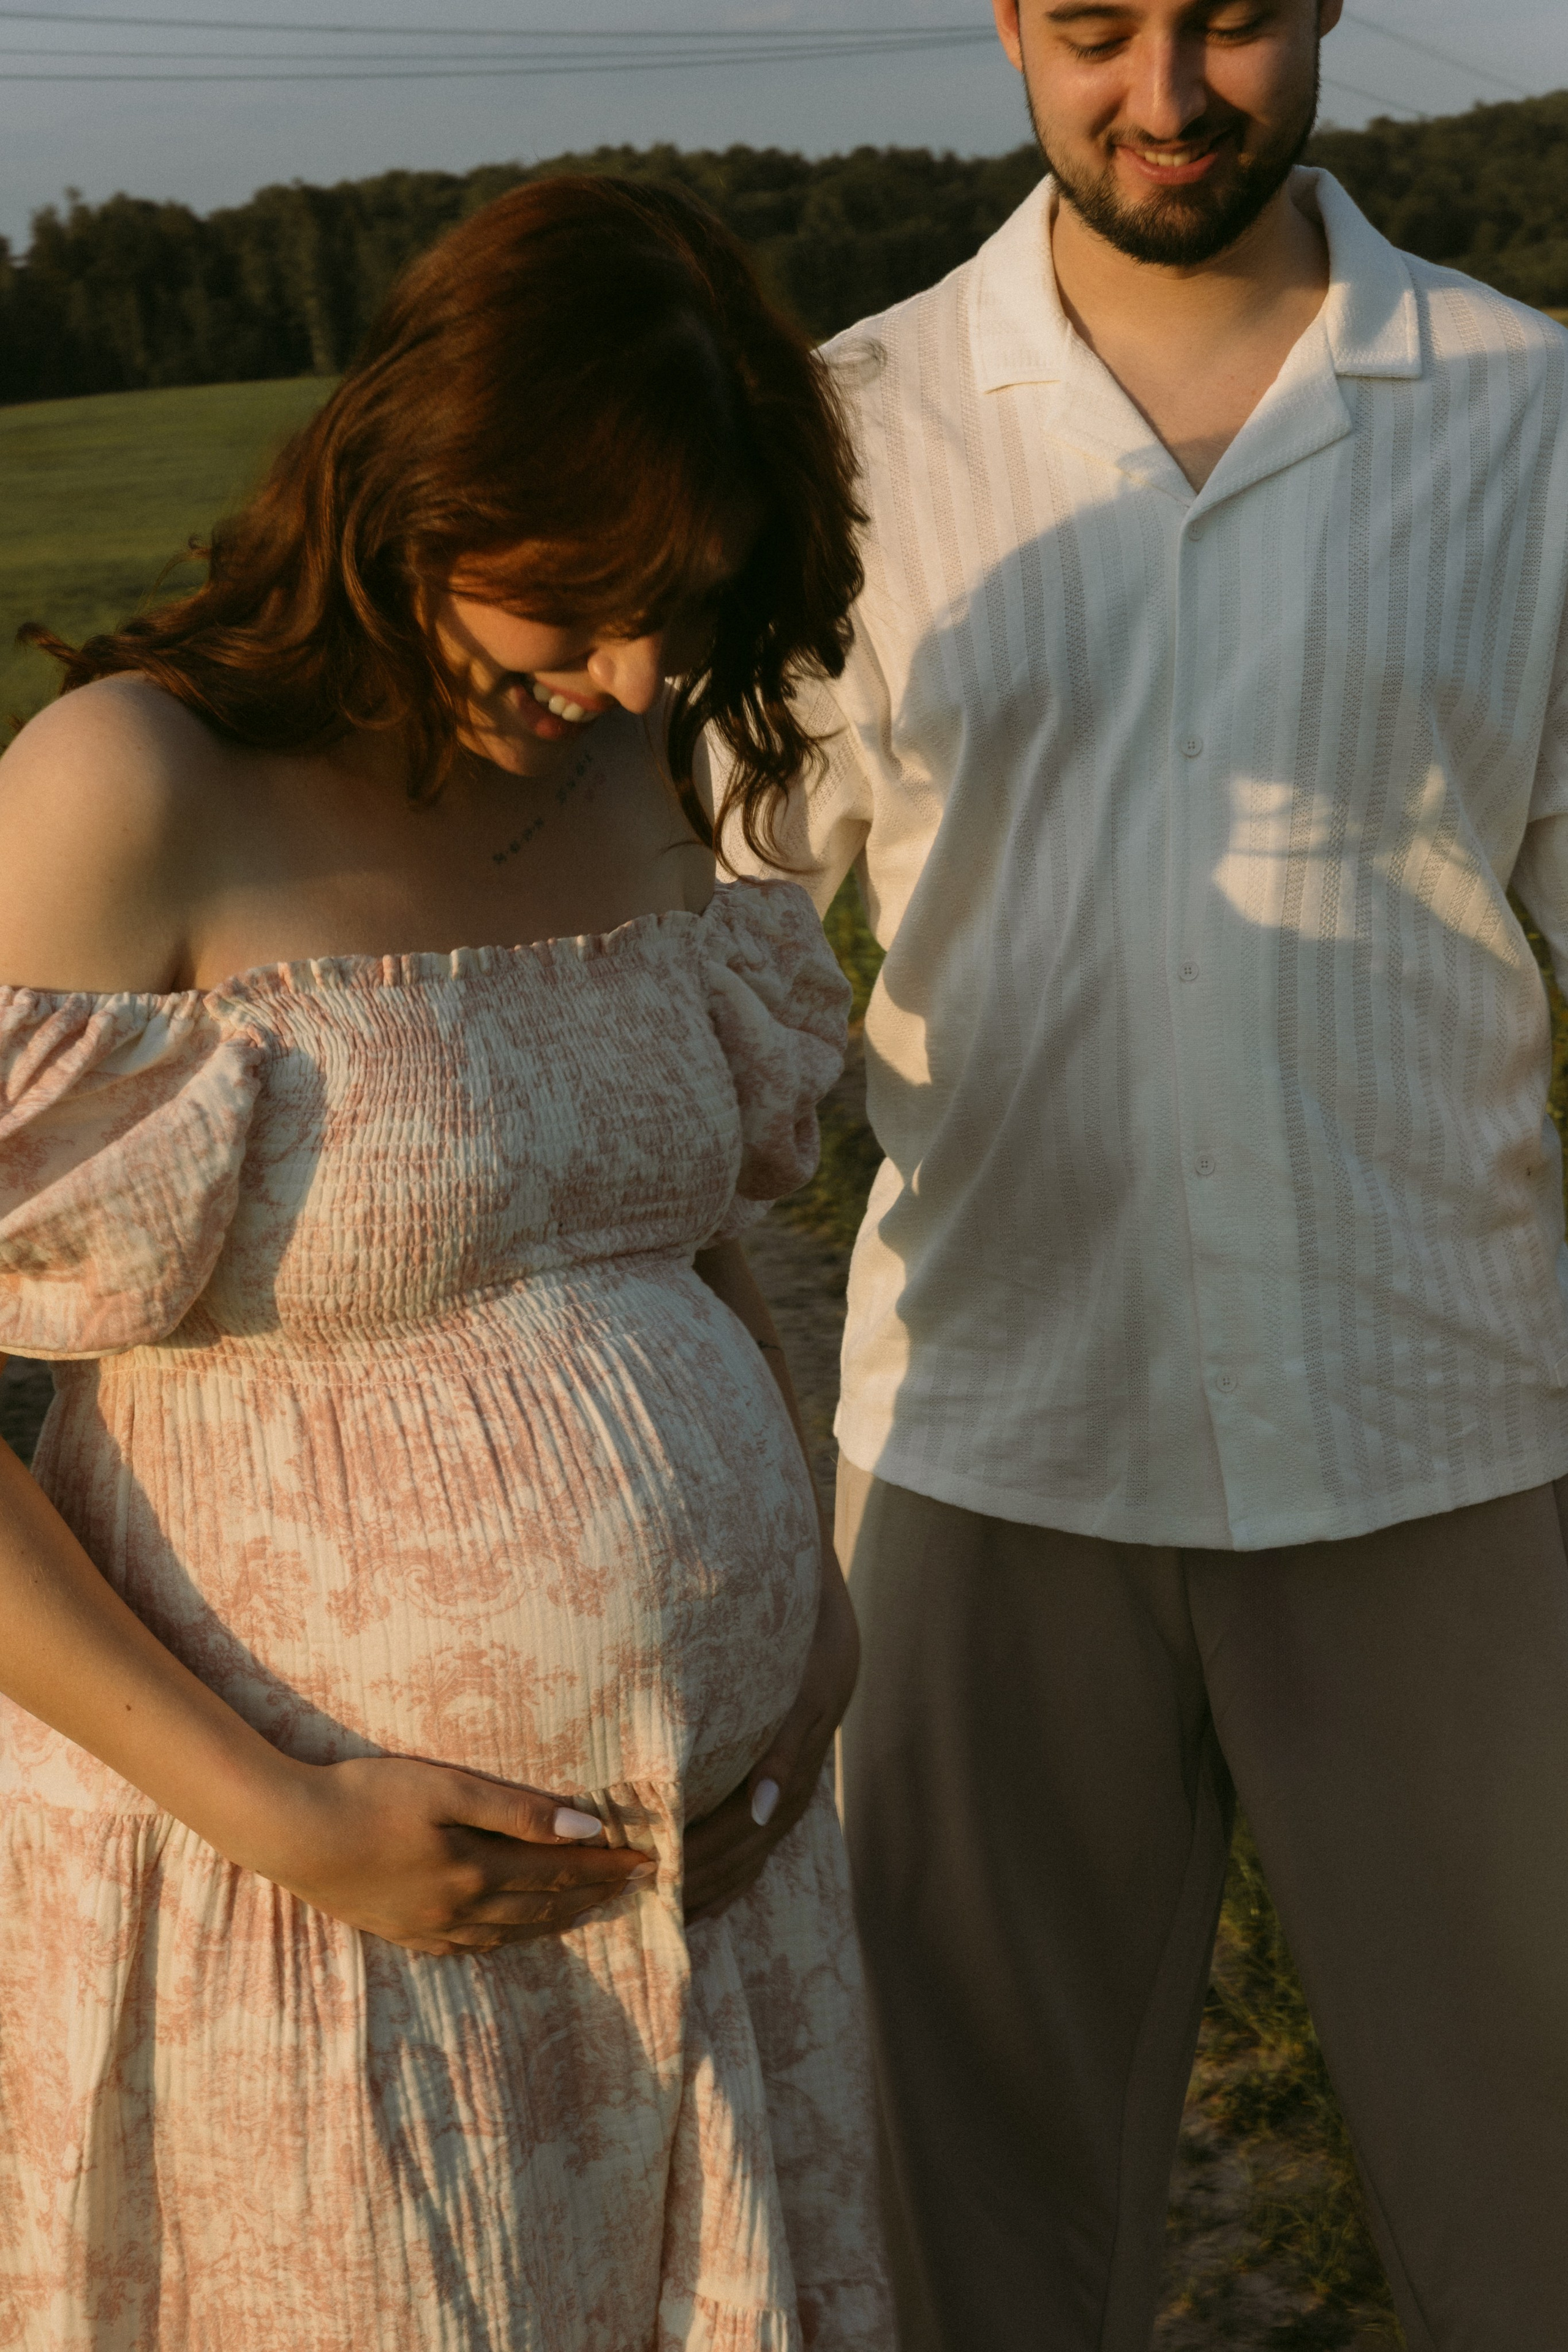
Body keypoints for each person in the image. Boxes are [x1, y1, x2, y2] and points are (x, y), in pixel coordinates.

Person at [723, 2, 1568, 2346]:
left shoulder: (1538, 410)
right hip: (994, 1438)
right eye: (1095, 28)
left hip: (1446, 1431)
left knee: (1539, 2207)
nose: (1166, 95)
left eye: (1229, 21)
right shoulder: (849, 430)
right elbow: (718, 958)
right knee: (965, 2230)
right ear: (1008, 22)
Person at [0, 176, 893, 2351]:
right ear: (418, 485)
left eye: (686, 613)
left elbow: (693, 1245)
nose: (634, 675)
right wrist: (293, 1819)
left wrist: (809, 1639)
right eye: (576, 606)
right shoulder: (143, 791)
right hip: (304, 1925)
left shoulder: (631, 768)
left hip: (713, 1910)